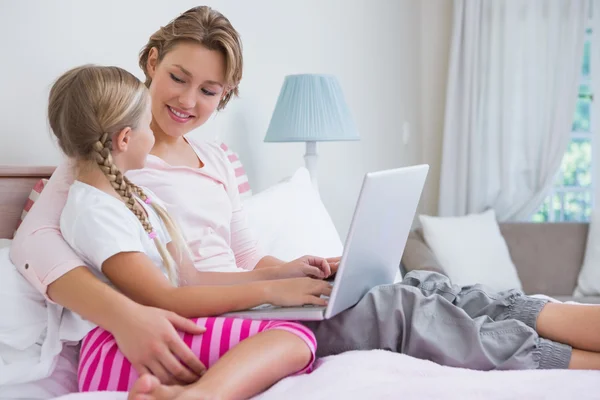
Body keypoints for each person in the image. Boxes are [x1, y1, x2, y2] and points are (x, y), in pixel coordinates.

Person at [11, 4, 600, 400]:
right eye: (178, 77)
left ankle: (580, 324)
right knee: (396, 306)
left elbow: (246, 256)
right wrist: (126, 316)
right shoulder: (101, 164)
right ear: (150, 64)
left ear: (226, 95)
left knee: (430, 287)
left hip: (242, 295)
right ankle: (576, 367)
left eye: (209, 90)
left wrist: (299, 270)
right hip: (218, 315)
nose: (188, 100)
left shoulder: (217, 161)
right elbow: (35, 247)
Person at [48, 64, 326, 399]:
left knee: (294, 333)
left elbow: (190, 279)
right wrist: (268, 292)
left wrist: (280, 279)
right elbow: (165, 298)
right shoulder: (94, 211)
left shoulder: (135, 196)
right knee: (294, 337)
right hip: (119, 354)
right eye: (144, 126)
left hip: (158, 339)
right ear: (125, 138)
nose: (153, 135)